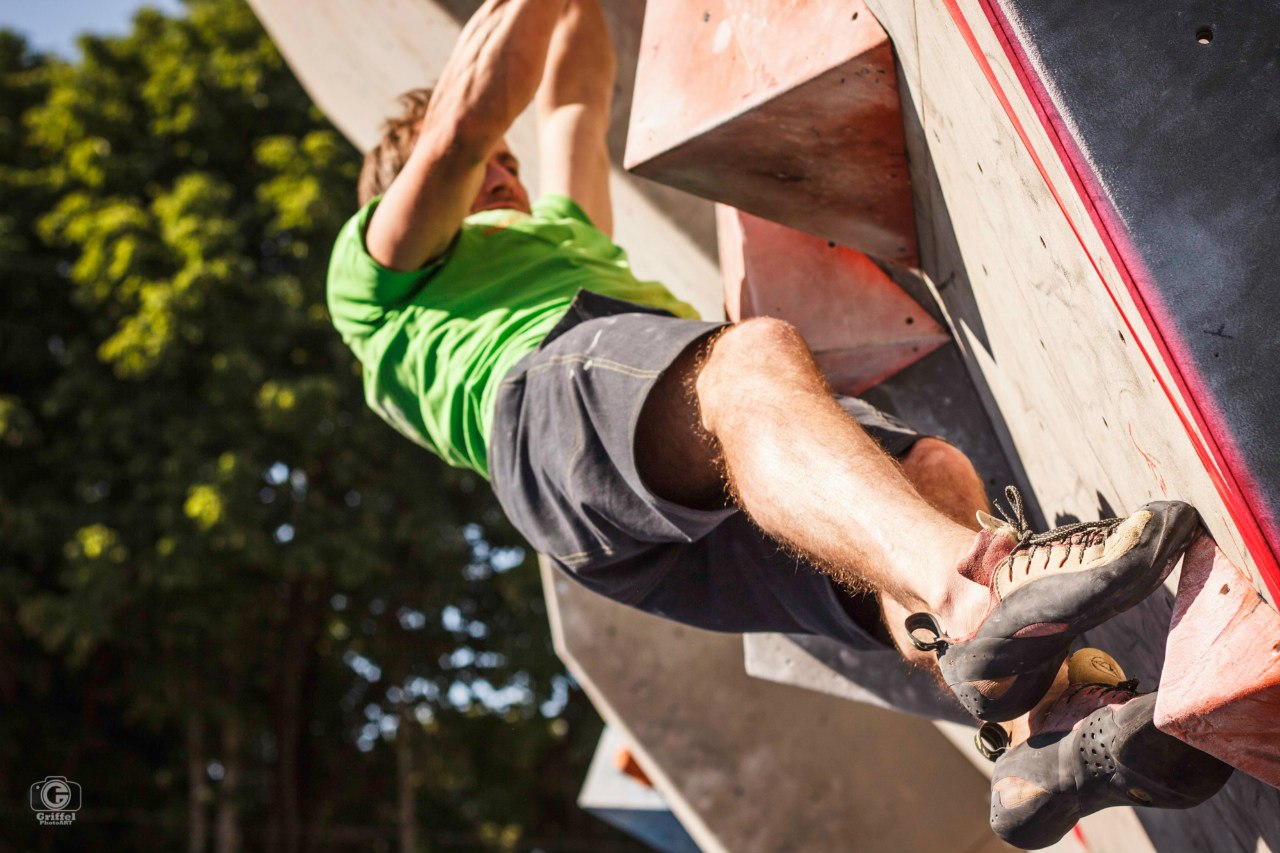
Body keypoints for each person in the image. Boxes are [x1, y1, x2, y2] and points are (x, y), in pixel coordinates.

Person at [326, 0, 1232, 845]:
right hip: (548, 403)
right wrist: (458, 138)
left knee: (926, 476)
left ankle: (1050, 735)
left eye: (510, 167)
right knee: (748, 363)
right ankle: (978, 592)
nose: (503, 173)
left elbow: (573, 93)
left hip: (642, 508)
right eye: (486, 172)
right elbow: (464, 123)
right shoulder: (381, 272)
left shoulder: (562, 233)